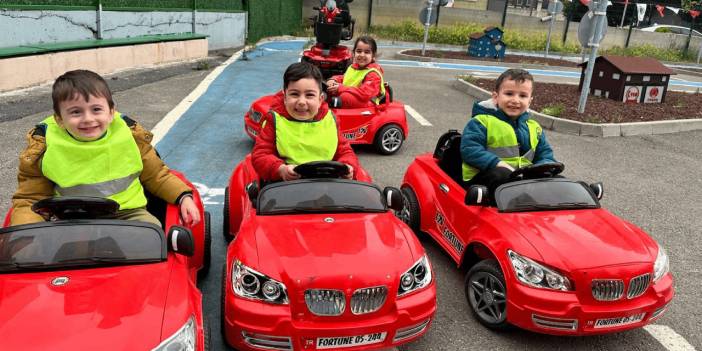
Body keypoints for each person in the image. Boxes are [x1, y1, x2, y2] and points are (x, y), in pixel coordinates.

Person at [10, 69, 200, 227]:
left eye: (96, 109)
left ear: (111, 112)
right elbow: (30, 198)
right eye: (76, 112)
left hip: (127, 214)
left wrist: (183, 196)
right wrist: (25, 236)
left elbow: (157, 175)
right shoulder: (44, 146)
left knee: (151, 233)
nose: (88, 119)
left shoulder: (130, 137)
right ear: (59, 119)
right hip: (70, 219)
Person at [252, 62, 359, 181]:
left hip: (327, 180)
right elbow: (261, 154)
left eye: (309, 95)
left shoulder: (330, 119)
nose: (302, 101)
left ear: (320, 99)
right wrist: (280, 169)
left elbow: (345, 151)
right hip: (285, 183)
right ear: (285, 97)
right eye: (294, 94)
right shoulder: (274, 120)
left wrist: (348, 166)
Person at [460, 68, 556, 195]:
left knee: (556, 181)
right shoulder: (481, 122)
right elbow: (470, 150)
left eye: (522, 96)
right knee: (502, 175)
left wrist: (545, 166)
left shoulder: (534, 127)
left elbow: (545, 153)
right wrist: (497, 163)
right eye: (509, 94)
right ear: (496, 97)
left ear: (530, 101)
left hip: (521, 179)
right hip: (484, 179)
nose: (515, 100)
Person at [326, 35, 385, 108]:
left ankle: (334, 105)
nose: (362, 55)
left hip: (368, 104)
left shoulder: (373, 74)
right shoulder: (353, 67)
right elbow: (345, 77)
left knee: (345, 97)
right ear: (354, 53)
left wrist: (341, 88)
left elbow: (365, 94)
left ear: (373, 56)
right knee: (328, 89)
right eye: (359, 51)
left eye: (367, 52)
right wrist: (333, 80)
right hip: (353, 95)